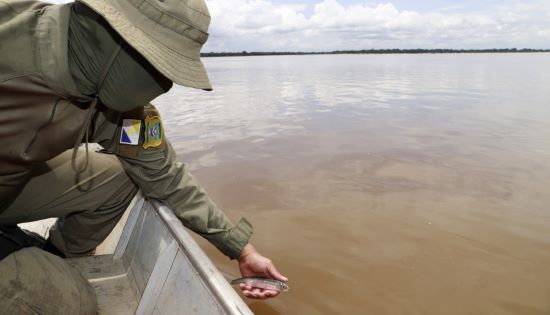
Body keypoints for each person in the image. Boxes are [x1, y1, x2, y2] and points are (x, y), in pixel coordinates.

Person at [0, 0, 287, 312]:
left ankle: (56, 254)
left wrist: (242, 249)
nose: (164, 84)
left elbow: (166, 175)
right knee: (70, 305)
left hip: (10, 185)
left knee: (122, 177)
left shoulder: (115, 103)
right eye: (161, 66)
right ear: (119, 41)